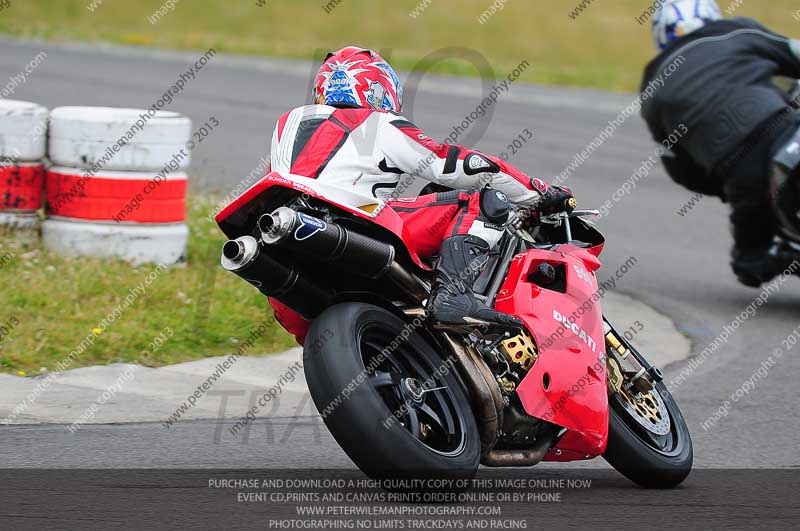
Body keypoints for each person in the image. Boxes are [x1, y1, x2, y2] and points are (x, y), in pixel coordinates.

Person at [267, 46, 573, 337]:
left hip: (285, 269)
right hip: (353, 226)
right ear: (377, 88)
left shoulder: (287, 125)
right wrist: (539, 192)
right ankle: (452, 294)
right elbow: (455, 165)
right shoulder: (377, 122)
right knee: (481, 201)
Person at [642, 0, 800, 287]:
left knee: (749, 262)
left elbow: (681, 170)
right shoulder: (734, 30)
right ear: (711, 16)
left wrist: (726, 187)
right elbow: (795, 52)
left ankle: (783, 255)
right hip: (785, 129)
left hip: (742, 177)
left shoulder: (652, 86)